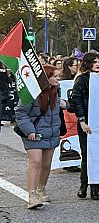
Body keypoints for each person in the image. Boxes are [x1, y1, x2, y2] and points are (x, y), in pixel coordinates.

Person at [14, 65, 64, 209]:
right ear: (45, 78)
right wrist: (29, 130)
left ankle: (41, 188)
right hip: (34, 133)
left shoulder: (56, 90)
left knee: (46, 164)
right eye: (55, 76)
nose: (58, 79)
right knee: (36, 161)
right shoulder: (30, 93)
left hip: (51, 132)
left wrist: (64, 104)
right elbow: (21, 113)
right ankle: (32, 195)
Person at [69, 52, 99, 200]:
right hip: (86, 121)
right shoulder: (82, 79)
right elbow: (76, 101)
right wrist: (82, 121)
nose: (97, 64)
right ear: (87, 64)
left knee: (98, 156)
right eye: (94, 62)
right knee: (86, 156)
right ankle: (84, 185)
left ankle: (95, 188)